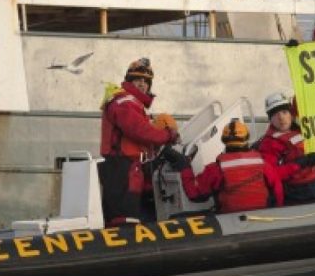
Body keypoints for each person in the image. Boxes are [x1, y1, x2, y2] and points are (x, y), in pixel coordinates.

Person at [99, 58, 178, 225]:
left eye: (146, 81)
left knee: (129, 217)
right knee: (124, 219)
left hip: (129, 168)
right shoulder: (125, 102)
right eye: (137, 80)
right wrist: (167, 135)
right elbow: (139, 130)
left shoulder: (130, 103)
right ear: (129, 81)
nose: (142, 84)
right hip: (122, 168)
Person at [167, 119, 286, 213]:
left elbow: (194, 194)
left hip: (229, 221)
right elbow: (277, 191)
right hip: (262, 218)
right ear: (246, 139)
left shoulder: (216, 169)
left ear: (224, 140)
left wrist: (185, 167)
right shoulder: (263, 164)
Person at [257, 91, 315, 204]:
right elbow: (271, 175)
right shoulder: (269, 144)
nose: (281, 118)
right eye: (275, 115)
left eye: (284, 112)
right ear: (270, 119)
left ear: (291, 114)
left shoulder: (302, 130)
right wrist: (298, 164)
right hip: (296, 193)